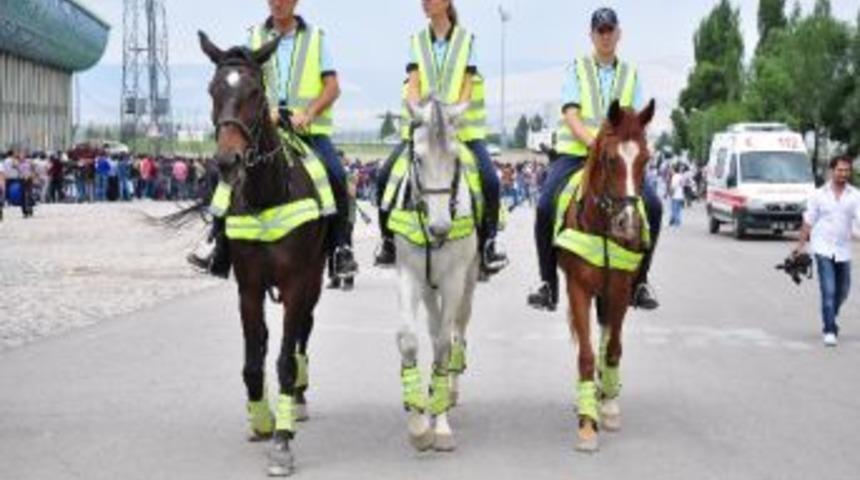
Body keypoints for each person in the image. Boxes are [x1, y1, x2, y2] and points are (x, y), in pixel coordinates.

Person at [188, 0, 358, 279]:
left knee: (336, 175)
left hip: (308, 131)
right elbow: (243, 85)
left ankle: (340, 249)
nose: (278, 3)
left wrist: (310, 112)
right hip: (266, 128)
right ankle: (217, 245)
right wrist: (267, 112)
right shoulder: (253, 37)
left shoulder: (316, 38)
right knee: (224, 173)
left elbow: (332, 87)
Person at [526, 7, 663, 312]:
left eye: (610, 30)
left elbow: (637, 122)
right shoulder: (577, 69)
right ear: (591, 35)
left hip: (618, 162)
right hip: (575, 155)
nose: (605, 36)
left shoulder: (631, 74)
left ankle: (640, 282)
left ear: (618, 34)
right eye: (599, 31)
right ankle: (547, 283)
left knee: (653, 205)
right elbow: (572, 116)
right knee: (546, 205)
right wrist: (596, 146)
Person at [372, 0, 508, 276]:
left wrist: (449, 115)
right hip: (423, 130)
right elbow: (413, 85)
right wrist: (419, 112)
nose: (425, 2)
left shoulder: (467, 40)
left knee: (490, 182)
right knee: (385, 175)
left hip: (462, 133)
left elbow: (468, 89)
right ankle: (387, 242)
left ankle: (489, 245)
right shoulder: (417, 41)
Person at [795, 156, 860, 347]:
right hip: (822, 247)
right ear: (832, 171)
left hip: (843, 249)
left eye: (847, 170)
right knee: (828, 290)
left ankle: (830, 313)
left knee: (843, 290)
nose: (843, 174)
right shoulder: (818, 195)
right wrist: (800, 245)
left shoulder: (855, 195)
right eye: (840, 170)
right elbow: (808, 221)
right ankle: (829, 329)